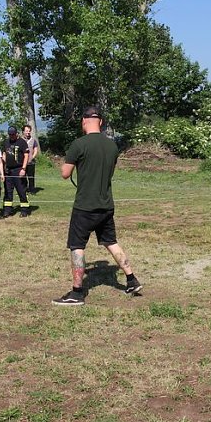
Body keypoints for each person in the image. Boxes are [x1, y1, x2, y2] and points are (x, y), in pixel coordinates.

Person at [53, 107, 142, 306]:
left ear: (84, 121)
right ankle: (131, 279)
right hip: (106, 204)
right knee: (111, 241)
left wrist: (69, 162)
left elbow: (65, 174)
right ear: (100, 122)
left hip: (85, 205)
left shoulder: (79, 144)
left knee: (77, 246)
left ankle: (76, 292)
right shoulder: (112, 146)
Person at [1, 126, 30, 217]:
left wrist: (23, 169)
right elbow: (4, 153)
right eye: (10, 134)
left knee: (21, 190)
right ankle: (7, 210)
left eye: (13, 134)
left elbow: (26, 155)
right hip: (8, 170)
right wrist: (4, 164)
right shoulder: (6, 142)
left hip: (19, 169)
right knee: (8, 191)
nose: (11, 136)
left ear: (16, 133)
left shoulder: (22, 142)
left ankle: (24, 210)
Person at [22, 125, 40, 193]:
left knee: (31, 177)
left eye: (29, 131)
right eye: (26, 131)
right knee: (22, 177)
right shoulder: (20, 140)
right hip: (22, 162)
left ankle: (32, 190)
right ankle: (23, 190)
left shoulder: (33, 140)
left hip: (31, 162)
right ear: (23, 131)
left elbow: (35, 150)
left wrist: (32, 157)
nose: (28, 132)